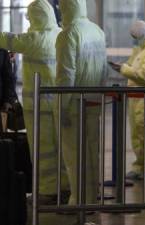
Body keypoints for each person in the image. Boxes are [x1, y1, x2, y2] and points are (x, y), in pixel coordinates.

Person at [0, 0, 70, 204]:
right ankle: (65, 188)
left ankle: (48, 191)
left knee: (42, 149)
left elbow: (9, 40)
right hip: (57, 102)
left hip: (39, 106)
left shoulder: (36, 38)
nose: (28, 19)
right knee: (60, 147)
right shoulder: (59, 35)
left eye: (30, 16)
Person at [55, 0, 107, 206]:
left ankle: (79, 201)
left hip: (74, 102)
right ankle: (92, 198)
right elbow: (103, 68)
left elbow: (66, 75)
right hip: (94, 99)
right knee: (93, 153)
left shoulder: (68, 34)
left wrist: (62, 106)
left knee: (75, 155)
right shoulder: (97, 31)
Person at [110, 20, 145, 180]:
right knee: (137, 136)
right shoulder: (142, 50)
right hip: (137, 100)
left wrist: (123, 69)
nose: (134, 40)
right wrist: (124, 65)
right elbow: (133, 67)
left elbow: (143, 76)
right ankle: (140, 166)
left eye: (135, 37)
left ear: (142, 35)